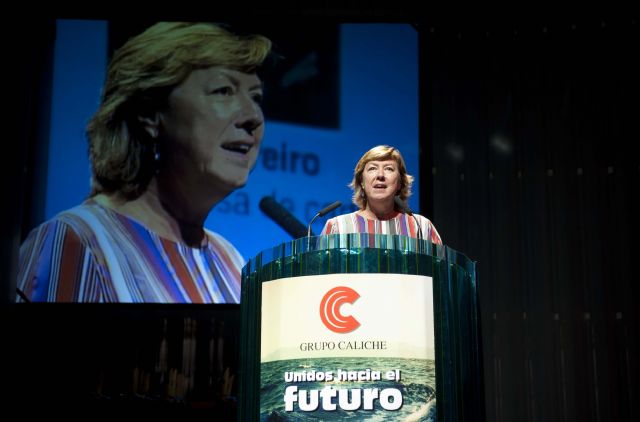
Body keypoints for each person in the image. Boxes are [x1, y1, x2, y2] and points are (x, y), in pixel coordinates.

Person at [16, 22, 272, 303]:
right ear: (150, 113)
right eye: (224, 90)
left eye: (256, 97)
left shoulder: (230, 261)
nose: (253, 117)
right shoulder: (76, 240)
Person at [321, 145, 443, 245]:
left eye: (389, 169)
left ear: (400, 183)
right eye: (372, 168)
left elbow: (440, 271)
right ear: (361, 182)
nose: (380, 175)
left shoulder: (420, 227)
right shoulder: (337, 227)